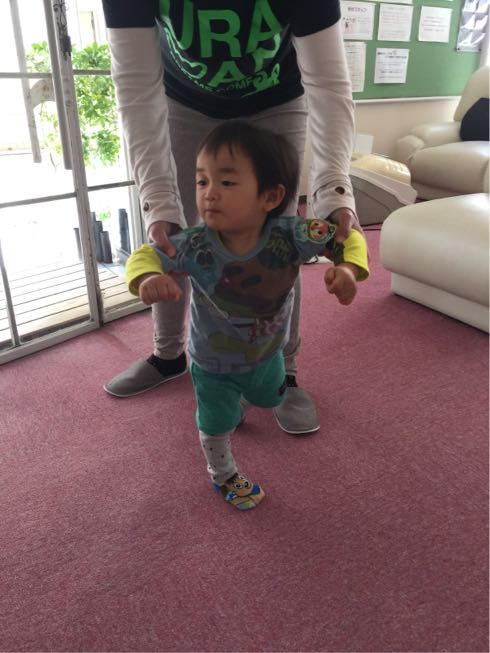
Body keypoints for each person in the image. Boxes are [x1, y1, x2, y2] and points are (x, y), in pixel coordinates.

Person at [101, 0, 361, 434]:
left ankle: (284, 371)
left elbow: (330, 86)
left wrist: (333, 189)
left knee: (278, 237)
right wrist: (158, 201)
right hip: (182, 101)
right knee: (173, 232)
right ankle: (168, 356)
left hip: (278, 96)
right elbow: (135, 90)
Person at [125, 121, 369, 510]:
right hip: (213, 362)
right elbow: (146, 254)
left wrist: (348, 270)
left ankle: (243, 401)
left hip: (268, 353)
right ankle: (223, 475)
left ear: (271, 196)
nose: (209, 193)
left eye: (226, 182)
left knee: (269, 396)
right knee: (215, 422)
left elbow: (347, 237)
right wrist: (148, 276)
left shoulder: (290, 235)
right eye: (202, 181)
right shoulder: (195, 244)